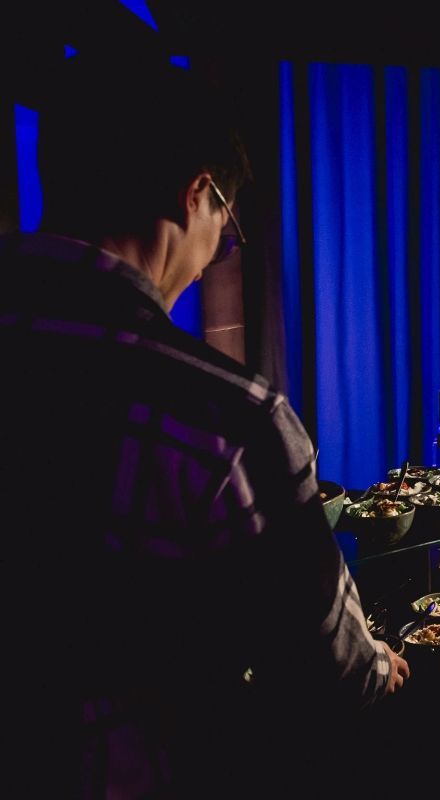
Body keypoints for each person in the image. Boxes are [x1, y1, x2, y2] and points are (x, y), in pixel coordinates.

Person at [0, 56, 407, 795]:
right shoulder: (229, 416)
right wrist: (377, 662)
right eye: (227, 224)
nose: (215, 254)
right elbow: (327, 665)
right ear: (196, 195)